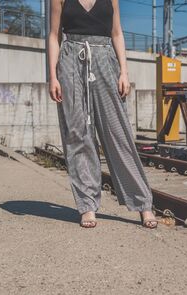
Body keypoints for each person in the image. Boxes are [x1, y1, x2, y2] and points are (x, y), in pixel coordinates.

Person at [48, 0, 157, 229]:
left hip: (105, 60)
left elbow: (117, 33)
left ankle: (142, 202)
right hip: (70, 61)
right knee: (78, 134)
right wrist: (52, 76)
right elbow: (54, 35)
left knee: (118, 133)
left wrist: (124, 72)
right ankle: (87, 205)